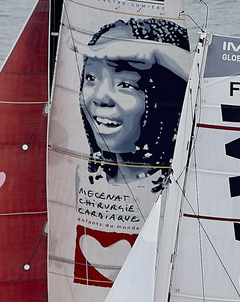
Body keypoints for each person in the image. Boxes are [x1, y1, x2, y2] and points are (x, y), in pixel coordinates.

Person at [77, 18, 191, 205]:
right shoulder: (86, 177)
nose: (100, 97)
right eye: (91, 78)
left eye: (126, 84)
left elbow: (215, 93)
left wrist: (158, 54)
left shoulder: (190, 181)